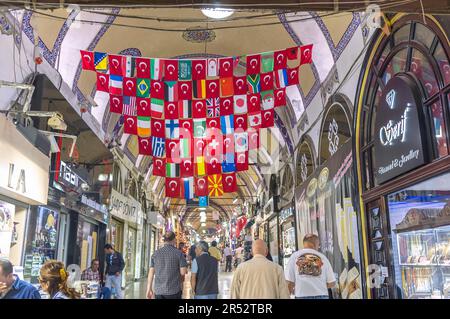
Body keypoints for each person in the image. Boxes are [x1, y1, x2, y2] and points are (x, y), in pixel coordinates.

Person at [285, 234, 336, 299]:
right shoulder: (323, 258)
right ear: (315, 244)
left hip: (301, 295)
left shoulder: (294, 256)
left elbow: (289, 282)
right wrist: (319, 285)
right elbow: (332, 282)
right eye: (319, 245)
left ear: (304, 243)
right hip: (321, 296)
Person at [146, 231, 187, 299]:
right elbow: (183, 272)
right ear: (174, 240)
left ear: (164, 240)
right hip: (174, 290)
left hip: (159, 291)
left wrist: (149, 288)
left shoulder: (155, 254)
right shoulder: (179, 253)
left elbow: (151, 272)